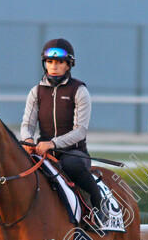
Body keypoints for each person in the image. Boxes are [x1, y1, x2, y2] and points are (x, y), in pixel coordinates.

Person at [21, 38, 107, 225]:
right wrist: (28, 140)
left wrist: (53, 143)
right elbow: (27, 125)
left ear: (69, 65)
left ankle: (97, 201)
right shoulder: (36, 92)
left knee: (72, 164)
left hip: (73, 153)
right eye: (50, 62)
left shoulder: (79, 91)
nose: (54, 66)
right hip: (43, 152)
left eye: (59, 62)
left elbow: (80, 131)